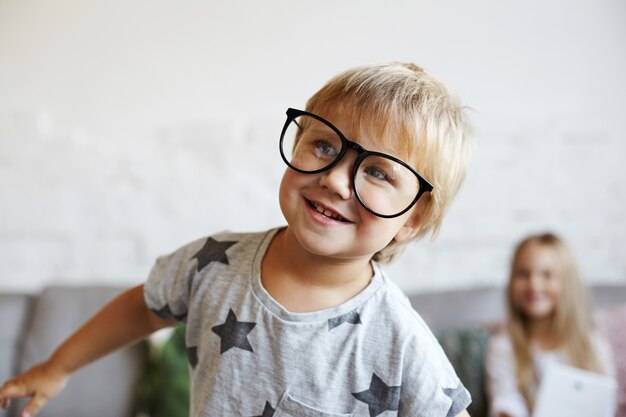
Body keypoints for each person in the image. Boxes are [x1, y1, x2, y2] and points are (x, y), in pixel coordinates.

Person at [0, 62, 473, 417]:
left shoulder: (400, 341)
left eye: (375, 172)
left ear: (412, 218)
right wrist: (58, 366)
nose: (334, 180)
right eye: (325, 145)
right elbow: (144, 306)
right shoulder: (214, 262)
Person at [485, 233, 615, 417]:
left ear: (567, 284)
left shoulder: (593, 345)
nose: (534, 284)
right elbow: (505, 402)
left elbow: (604, 405)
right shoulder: (504, 346)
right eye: (523, 274)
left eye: (546, 275)